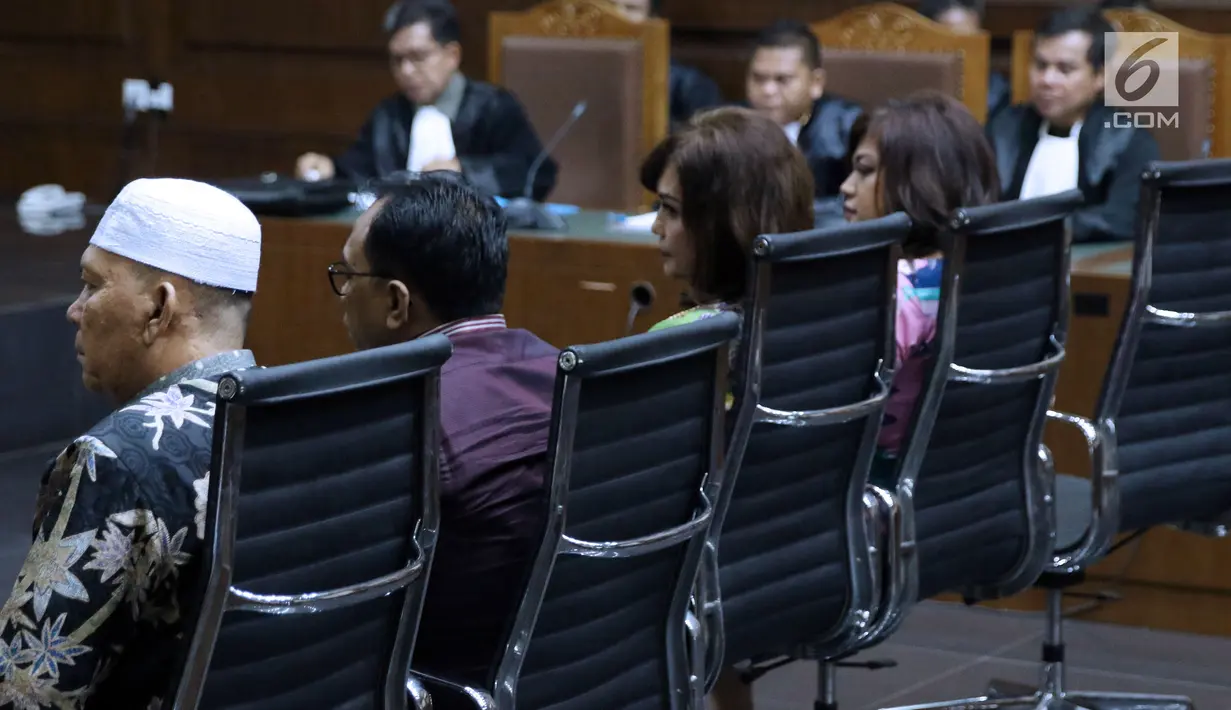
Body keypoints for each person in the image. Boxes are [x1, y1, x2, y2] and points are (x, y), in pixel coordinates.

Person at [0, 179, 261, 708]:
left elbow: (25, 695)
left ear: (159, 309)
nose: (75, 309)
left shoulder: (116, 462)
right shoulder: (305, 419)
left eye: (92, 286)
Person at [330, 171, 555, 706]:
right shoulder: (567, 374)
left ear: (396, 303)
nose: (340, 296)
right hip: (578, 676)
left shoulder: (399, 424)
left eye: (348, 275)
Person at [840, 92, 999, 478]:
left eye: (864, 171)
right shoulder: (996, 273)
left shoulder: (897, 290)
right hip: (979, 489)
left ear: (917, 183)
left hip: (873, 497)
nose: (845, 187)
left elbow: (829, 406)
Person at [295, 0, 555, 200]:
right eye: (397, 59)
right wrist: (327, 168)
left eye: (418, 57)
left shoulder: (493, 107)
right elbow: (359, 171)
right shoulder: (390, 114)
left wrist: (462, 171)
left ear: (452, 55)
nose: (406, 71)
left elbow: (536, 172)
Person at [986, 7, 1159, 242]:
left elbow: (1123, 218)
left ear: (1100, 76)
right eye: (1040, 65)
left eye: (1064, 69)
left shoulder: (1125, 139)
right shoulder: (1004, 129)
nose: (1047, 80)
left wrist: (1041, 230)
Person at [641, 107, 814, 335]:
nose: (657, 227)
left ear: (725, 222)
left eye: (671, 210)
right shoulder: (817, 315)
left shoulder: (677, 339)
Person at [744, 20, 862, 200]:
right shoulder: (731, 126)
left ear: (816, 83)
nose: (767, 91)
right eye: (758, 78)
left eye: (782, 80)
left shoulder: (846, 128)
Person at [611, 0, 725, 126]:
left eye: (630, 8)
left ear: (652, 19)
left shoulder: (688, 86)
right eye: (609, 7)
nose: (616, 16)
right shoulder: (587, 76)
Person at [916, 0, 1012, 121]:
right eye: (953, 45)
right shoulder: (914, 91)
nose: (962, 54)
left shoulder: (999, 94)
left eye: (971, 43)